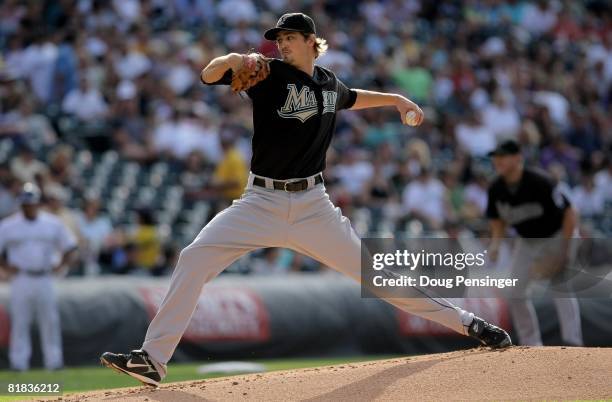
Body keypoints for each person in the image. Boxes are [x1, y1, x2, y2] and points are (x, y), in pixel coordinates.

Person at [101, 13, 511, 387]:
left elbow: (351, 97)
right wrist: (233, 59)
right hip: (260, 201)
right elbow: (209, 75)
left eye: (291, 37)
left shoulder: (329, 83)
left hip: (315, 207)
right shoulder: (266, 73)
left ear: (313, 41)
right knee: (193, 259)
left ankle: (467, 323)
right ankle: (153, 360)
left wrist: (396, 100)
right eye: (279, 38)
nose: (282, 44)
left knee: (377, 278)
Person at [486, 139, 583, 347]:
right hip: (527, 240)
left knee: (561, 285)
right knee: (514, 291)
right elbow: (497, 220)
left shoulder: (539, 181)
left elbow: (570, 213)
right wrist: (495, 243)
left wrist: (564, 252)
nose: (497, 160)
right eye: (496, 157)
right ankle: (532, 344)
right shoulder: (495, 188)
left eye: (503, 156)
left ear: (518, 158)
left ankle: (573, 342)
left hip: (557, 235)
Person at [0, 183, 78, 371]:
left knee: (50, 320)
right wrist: (5, 266)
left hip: (45, 277)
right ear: (21, 204)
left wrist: (61, 265)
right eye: (26, 204)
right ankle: (18, 363)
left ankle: (54, 362)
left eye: (32, 203)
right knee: (20, 321)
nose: (29, 206)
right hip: (21, 278)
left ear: (37, 203)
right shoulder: (9, 225)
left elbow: (70, 246)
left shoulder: (52, 222)